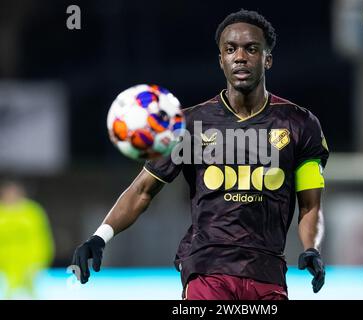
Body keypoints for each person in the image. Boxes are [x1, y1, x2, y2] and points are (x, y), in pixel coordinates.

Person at [72, 9, 329, 300]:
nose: (240, 56)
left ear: (267, 59)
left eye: (251, 49)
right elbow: (142, 190)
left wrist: (312, 249)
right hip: (207, 270)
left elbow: (310, 205)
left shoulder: (300, 124)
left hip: (267, 273)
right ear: (221, 60)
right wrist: (100, 237)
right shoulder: (189, 125)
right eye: (230, 49)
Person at [0, 180, 54, 299]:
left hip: (30, 265)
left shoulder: (32, 212)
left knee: (33, 295)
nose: (11, 196)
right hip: (4, 266)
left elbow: (42, 238)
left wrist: (40, 261)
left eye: (14, 192)